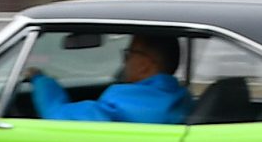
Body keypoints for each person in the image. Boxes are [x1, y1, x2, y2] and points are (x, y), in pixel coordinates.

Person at [29, 34, 191, 124]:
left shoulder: (124, 103)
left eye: (129, 54)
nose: (124, 61)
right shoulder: (182, 98)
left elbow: (56, 114)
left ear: (144, 65)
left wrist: (39, 79)